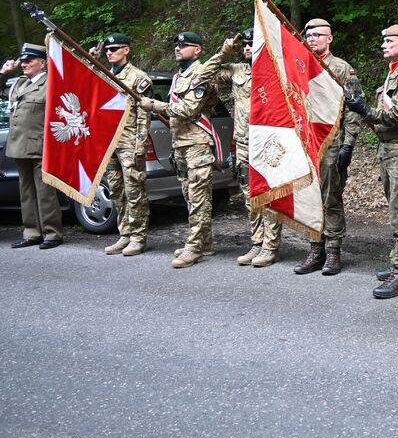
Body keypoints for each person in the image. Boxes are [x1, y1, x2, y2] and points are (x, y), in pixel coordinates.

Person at [344, 24, 398, 299]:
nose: (383, 45)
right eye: (383, 41)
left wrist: (364, 111)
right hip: (389, 149)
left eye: (389, 41)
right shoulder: (393, 72)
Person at [199, 28, 283, 267]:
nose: (247, 47)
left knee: (268, 195)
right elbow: (205, 75)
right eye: (244, 44)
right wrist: (225, 51)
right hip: (245, 143)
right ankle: (256, 243)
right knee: (250, 195)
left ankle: (271, 246)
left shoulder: (274, 70)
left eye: (251, 43)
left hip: (268, 143)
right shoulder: (236, 70)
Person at [140, 32, 222, 268]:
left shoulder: (201, 75)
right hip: (181, 144)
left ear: (198, 50)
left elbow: (188, 110)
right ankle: (205, 243)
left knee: (198, 198)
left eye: (185, 45)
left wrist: (155, 105)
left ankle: (194, 247)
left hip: (197, 144)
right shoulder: (179, 76)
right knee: (189, 195)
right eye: (177, 45)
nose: (178, 48)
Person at [293, 18, 362, 276]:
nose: (312, 39)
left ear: (329, 39)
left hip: (331, 144)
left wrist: (348, 145)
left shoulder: (342, 69)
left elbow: (354, 110)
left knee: (331, 198)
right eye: (308, 35)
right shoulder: (300, 67)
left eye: (317, 35)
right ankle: (315, 248)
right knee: (310, 198)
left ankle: (333, 251)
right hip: (306, 144)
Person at [89, 33, 153, 256]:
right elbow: (89, 89)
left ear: (126, 50)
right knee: (116, 189)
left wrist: (140, 146)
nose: (109, 52)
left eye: (115, 49)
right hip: (110, 142)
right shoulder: (105, 75)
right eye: (107, 49)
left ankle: (138, 237)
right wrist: (92, 62)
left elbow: (144, 116)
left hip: (129, 141)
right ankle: (124, 233)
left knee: (134, 190)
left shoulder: (138, 77)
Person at [0, 43, 64, 249]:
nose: (24, 64)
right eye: (23, 61)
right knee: (26, 191)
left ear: (42, 63)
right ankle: (32, 232)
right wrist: (3, 73)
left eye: (29, 61)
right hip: (18, 145)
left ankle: (52, 234)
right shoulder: (18, 83)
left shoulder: (51, 82)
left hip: (40, 145)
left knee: (44, 191)